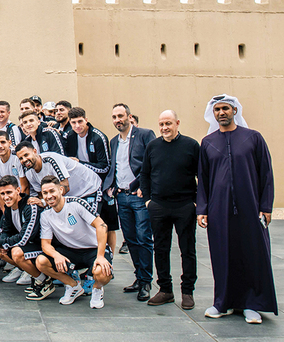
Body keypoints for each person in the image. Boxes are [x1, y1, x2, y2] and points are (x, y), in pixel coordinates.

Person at [197, 94, 277, 323]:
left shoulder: (253, 138)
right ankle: (224, 303)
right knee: (222, 255)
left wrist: (266, 206)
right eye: (217, 110)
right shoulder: (208, 142)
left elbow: (266, 174)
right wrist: (202, 209)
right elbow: (203, 179)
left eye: (225, 108)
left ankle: (252, 304)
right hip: (219, 211)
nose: (221, 113)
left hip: (250, 208)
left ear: (234, 111)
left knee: (252, 254)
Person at [140, 110, 199, 310]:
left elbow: (202, 175)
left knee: (187, 250)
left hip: (185, 206)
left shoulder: (191, 145)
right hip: (159, 206)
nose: (164, 128)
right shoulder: (153, 146)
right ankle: (165, 289)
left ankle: (187, 291)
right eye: (161, 124)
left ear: (177, 123)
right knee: (161, 249)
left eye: (168, 123)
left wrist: (196, 203)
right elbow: (145, 174)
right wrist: (148, 201)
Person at [103, 103, 156, 301]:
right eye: (114, 117)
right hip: (122, 196)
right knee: (131, 239)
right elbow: (115, 167)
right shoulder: (114, 141)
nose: (118, 120)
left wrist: (144, 185)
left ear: (129, 116)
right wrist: (111, 187)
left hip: (139, 196)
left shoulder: (144, 135)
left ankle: (146, 281)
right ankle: (139, 276)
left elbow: (153, 162)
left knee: (144, 238)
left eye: (121, 116)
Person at [36, 176, 113, 308]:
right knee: (41, 262)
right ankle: (73, 286)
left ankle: (97, 289)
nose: (49, 196)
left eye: (52, 191)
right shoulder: (45, 214)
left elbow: (101, 225)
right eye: (45, 193)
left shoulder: (76, 204)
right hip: (70, 251)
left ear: (61, 190)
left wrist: (100, 256)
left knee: (102, 272)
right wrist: (56, 255)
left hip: (93, 249)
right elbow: (45, 244)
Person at [0, 176, 53, 299]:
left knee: (16, 253)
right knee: (0, 251)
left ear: (18, 190)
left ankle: (43, 281)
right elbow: (6, 231)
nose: (6, 197)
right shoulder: (8, 207)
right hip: (29, 245)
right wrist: (1, 243)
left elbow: (25, 238)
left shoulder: (30, 206)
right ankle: (34, 275)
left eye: (9, 192)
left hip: (45, 247)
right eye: (2, 193)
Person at [65, 107, 116, 251]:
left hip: (102, 186)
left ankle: (110, 256)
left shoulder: (98, 137)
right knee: (88, 224)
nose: (77, 125)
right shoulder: (70, 136)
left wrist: (80, 164)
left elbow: (105, 167)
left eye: (80, 121)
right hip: (82, 187)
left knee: (109, 224)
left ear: (86, 120)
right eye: (73, 122)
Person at [0, 131, 29, 209]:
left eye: (3, 142)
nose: (0, 146)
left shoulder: (17, 158)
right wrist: (5, 211)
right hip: (9, 197)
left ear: (9, 143)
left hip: (24, 197)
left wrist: (20, 208)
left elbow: (25, 186)